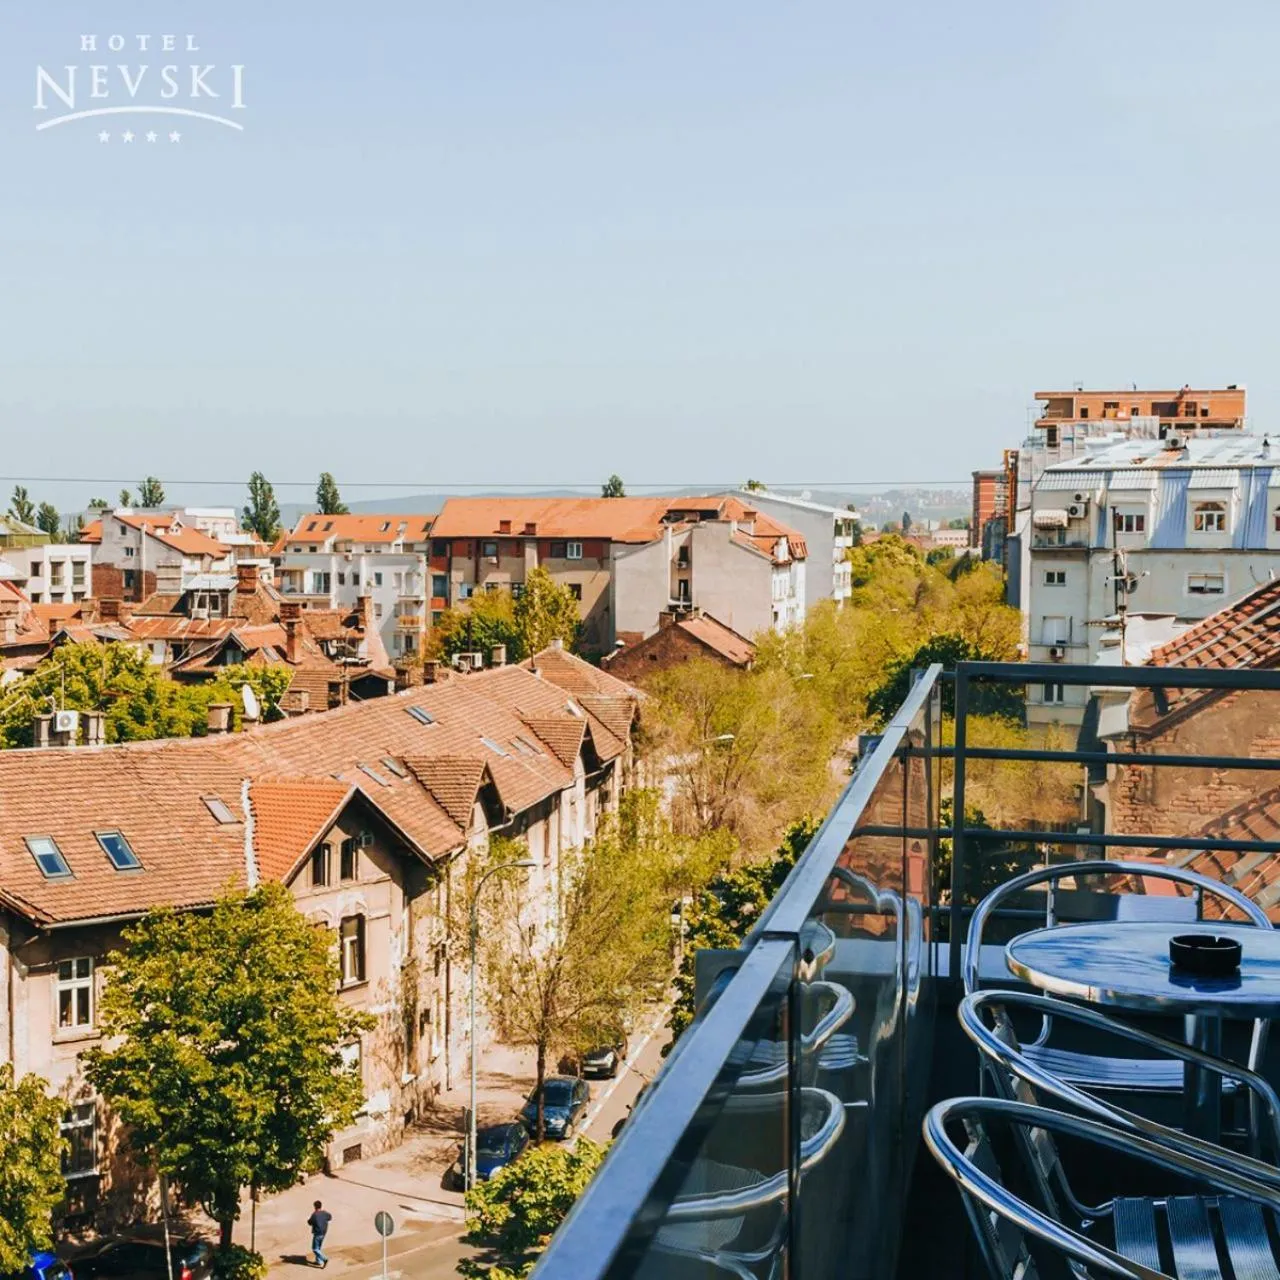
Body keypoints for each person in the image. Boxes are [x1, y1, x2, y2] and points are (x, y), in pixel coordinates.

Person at [307, 1200, 332, 1269]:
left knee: (315, 1249)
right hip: (324, 1232)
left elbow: (309, 1223)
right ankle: (318, 1261)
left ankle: (324, 1259)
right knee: (318, 1248)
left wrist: (309, 1219)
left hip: (317, 1233)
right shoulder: (325, 1213)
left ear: (315, 1206)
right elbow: (330, 1218)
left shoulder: (314, 1214)